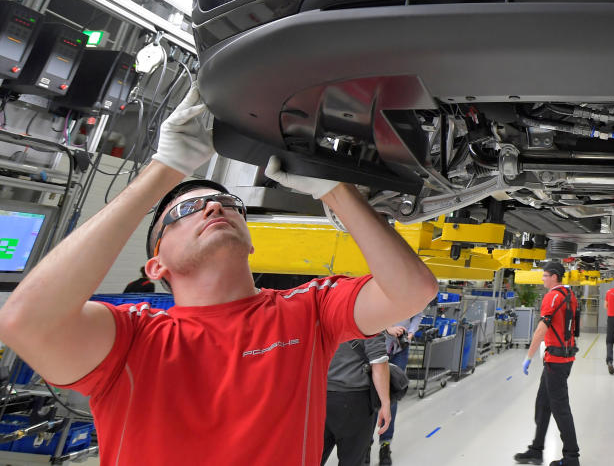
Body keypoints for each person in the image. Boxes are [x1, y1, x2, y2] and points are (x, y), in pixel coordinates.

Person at [0, 85, 440, 466]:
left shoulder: (308, 310)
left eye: (230, 205)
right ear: (156, 266)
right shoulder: (131, 338)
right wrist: (165, 169)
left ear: (250, 241)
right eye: (185, 211)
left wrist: (333, 187)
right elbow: (26, 321)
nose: (213, 206)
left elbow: (412, 291)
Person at [514, 261, 579, 466]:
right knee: (543, 404)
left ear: (554, 277)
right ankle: (536, 449)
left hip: (556, 361)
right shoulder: (570, 296)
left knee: (560, 409)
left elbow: (541, 330)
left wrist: (528, 357)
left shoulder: (552, 297)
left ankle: (571, 457)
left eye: (545, 275)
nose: (542, 278)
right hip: (563, 357)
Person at [323, 334, 391, 466]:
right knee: (352, 459)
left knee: (311, 457)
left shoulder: (317, 314)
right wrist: (385, 403)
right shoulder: (370, 315)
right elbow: (378, 363)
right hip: (354, 400)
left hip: (316, 397)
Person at [377, 317, 419, 465]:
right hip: (378, 344)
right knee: (370, 395)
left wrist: (411, 333)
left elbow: (418, 314)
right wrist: (387, 326)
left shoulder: (414, 295)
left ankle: (385, 444)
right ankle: (365, 446)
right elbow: (372, 311)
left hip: (400, 349)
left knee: (392, 395)